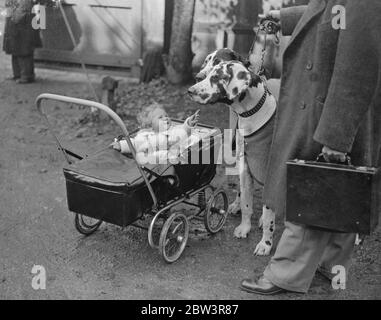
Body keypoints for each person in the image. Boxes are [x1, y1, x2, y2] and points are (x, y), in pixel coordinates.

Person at [240, 0, 381, 295]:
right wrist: (286, 18)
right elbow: (333, 9)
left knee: (311, 187)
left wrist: (336, 135)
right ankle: (332, 263)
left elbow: (358, 61)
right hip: (327, 99)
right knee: (343, 186)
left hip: (332, 108)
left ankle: (286, 274)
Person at [112, 103, 200, 165]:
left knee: (190, 139)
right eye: (160, 117)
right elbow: (134, 143)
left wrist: (188, 124)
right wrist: (121, 145)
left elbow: (182, 132)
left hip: (170, 159)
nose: (165, 118)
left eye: (166, 116)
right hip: (151, 162)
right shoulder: (144, 134)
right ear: (150, 124)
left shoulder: (171, 131)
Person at [3, 0, 42, 83]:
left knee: (23, 50)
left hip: (22, 22)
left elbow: (23, 7)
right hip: (17, 20)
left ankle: (25, 76)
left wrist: (14, 18)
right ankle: (18, 74)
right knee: (16, 49)